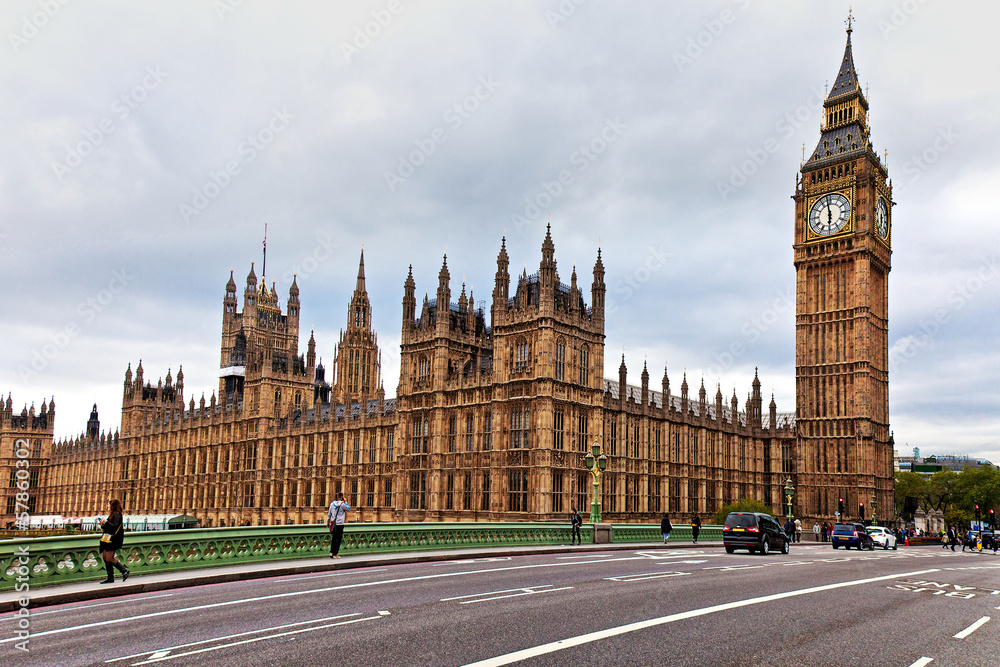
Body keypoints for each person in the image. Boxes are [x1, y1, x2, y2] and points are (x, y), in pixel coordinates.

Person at [98, 498, 130, 584]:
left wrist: (106, 522)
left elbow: (115, 526)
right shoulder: (112, 515)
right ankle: (110, 577)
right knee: (105, 558)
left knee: (109, 558)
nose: (107, 506)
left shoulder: (117, 515)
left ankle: (124, 571)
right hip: (107, 539)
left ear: (113, 506)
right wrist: (103, 524)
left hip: (113, 539)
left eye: (109, 504)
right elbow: (108, 527)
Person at [327, 492, 350, 558]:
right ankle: (335, 554)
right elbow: (348, 508)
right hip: (340, 524)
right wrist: (345, 502)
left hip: (333, 523)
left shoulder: (332, 504)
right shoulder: (342, 504)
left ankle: (331, 552)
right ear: (342, 497)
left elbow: (329, 514)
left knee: (334, 538)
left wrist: (328, 523)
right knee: (338, 539)